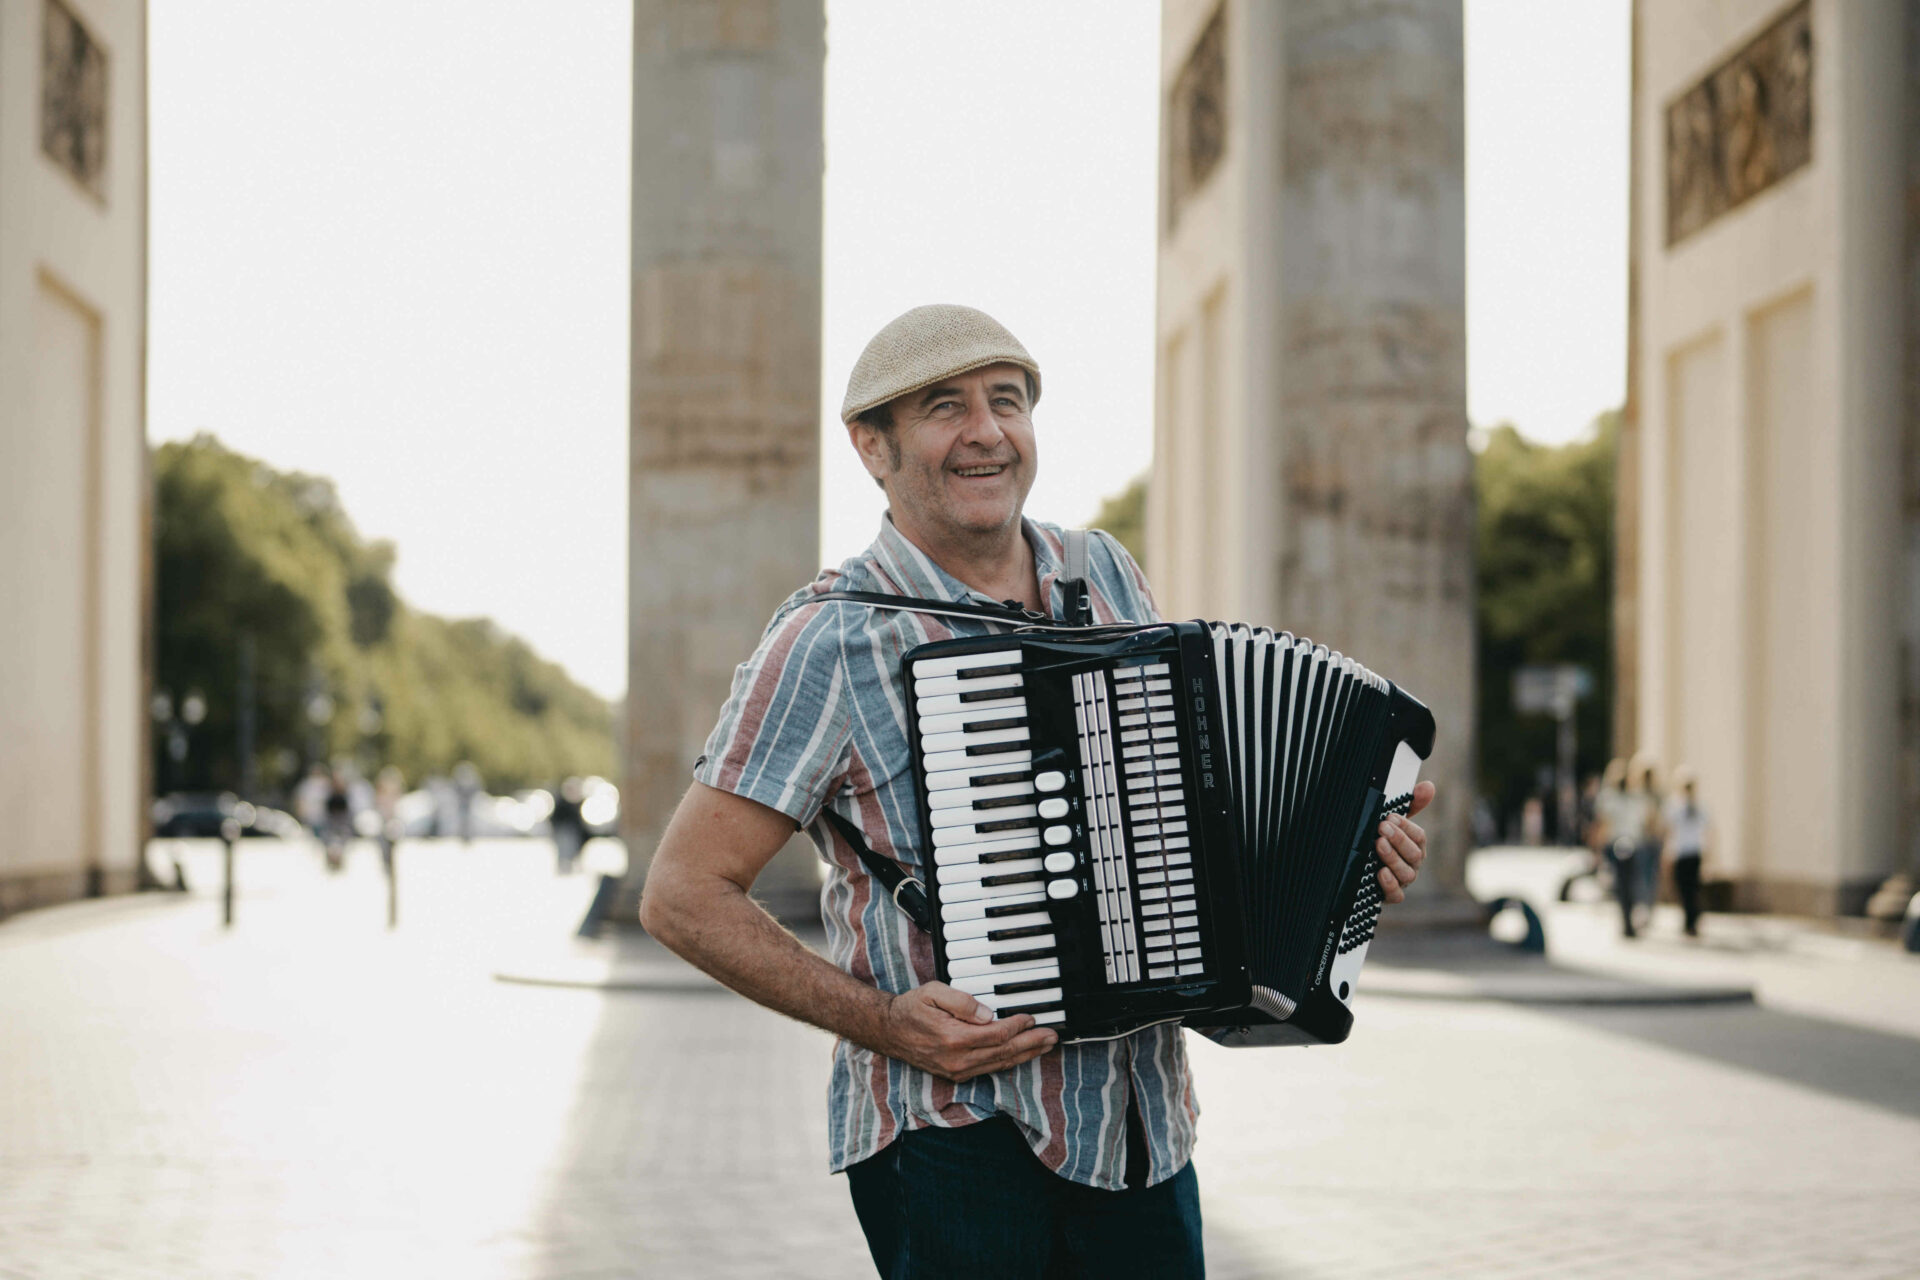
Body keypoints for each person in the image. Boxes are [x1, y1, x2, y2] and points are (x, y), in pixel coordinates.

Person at [639, 304, 1435, 1279]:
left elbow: (1177, 825)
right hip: (954, 1137)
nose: (985, 430)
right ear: (872, 447)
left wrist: (1347, 858)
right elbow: (683, 891)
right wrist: (882, 1020)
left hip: (1142, 1129)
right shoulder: (831, 640)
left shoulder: (1102, 574)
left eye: (1005, 402)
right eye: (944, 407)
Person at [1663, 768, 1711, 937]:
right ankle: (1689, 918)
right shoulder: (1675, 806)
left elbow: (1707, 830)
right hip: (1681, 852)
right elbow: (1670, 830)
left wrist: (1708, 852)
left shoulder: (1699, 806)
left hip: (1693, 851)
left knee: (1692, 887)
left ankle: (1692, 919)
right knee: (1683, 887)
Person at [551, 777, 587, 874]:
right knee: (564, 851)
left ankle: (569, 867)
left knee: (571, 851)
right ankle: (563, 868)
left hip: (572, 833)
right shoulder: (562, 803)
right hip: (564, 832)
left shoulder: (576, 804)